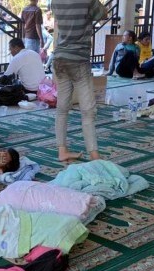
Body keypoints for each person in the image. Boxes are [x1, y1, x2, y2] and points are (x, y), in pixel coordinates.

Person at [52, 0, 108, 161]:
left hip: (59, 57)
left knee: (62, 108)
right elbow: (104, 14)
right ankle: (94, 155)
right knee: (88, 111)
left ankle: (62, 150)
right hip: (78, 59)